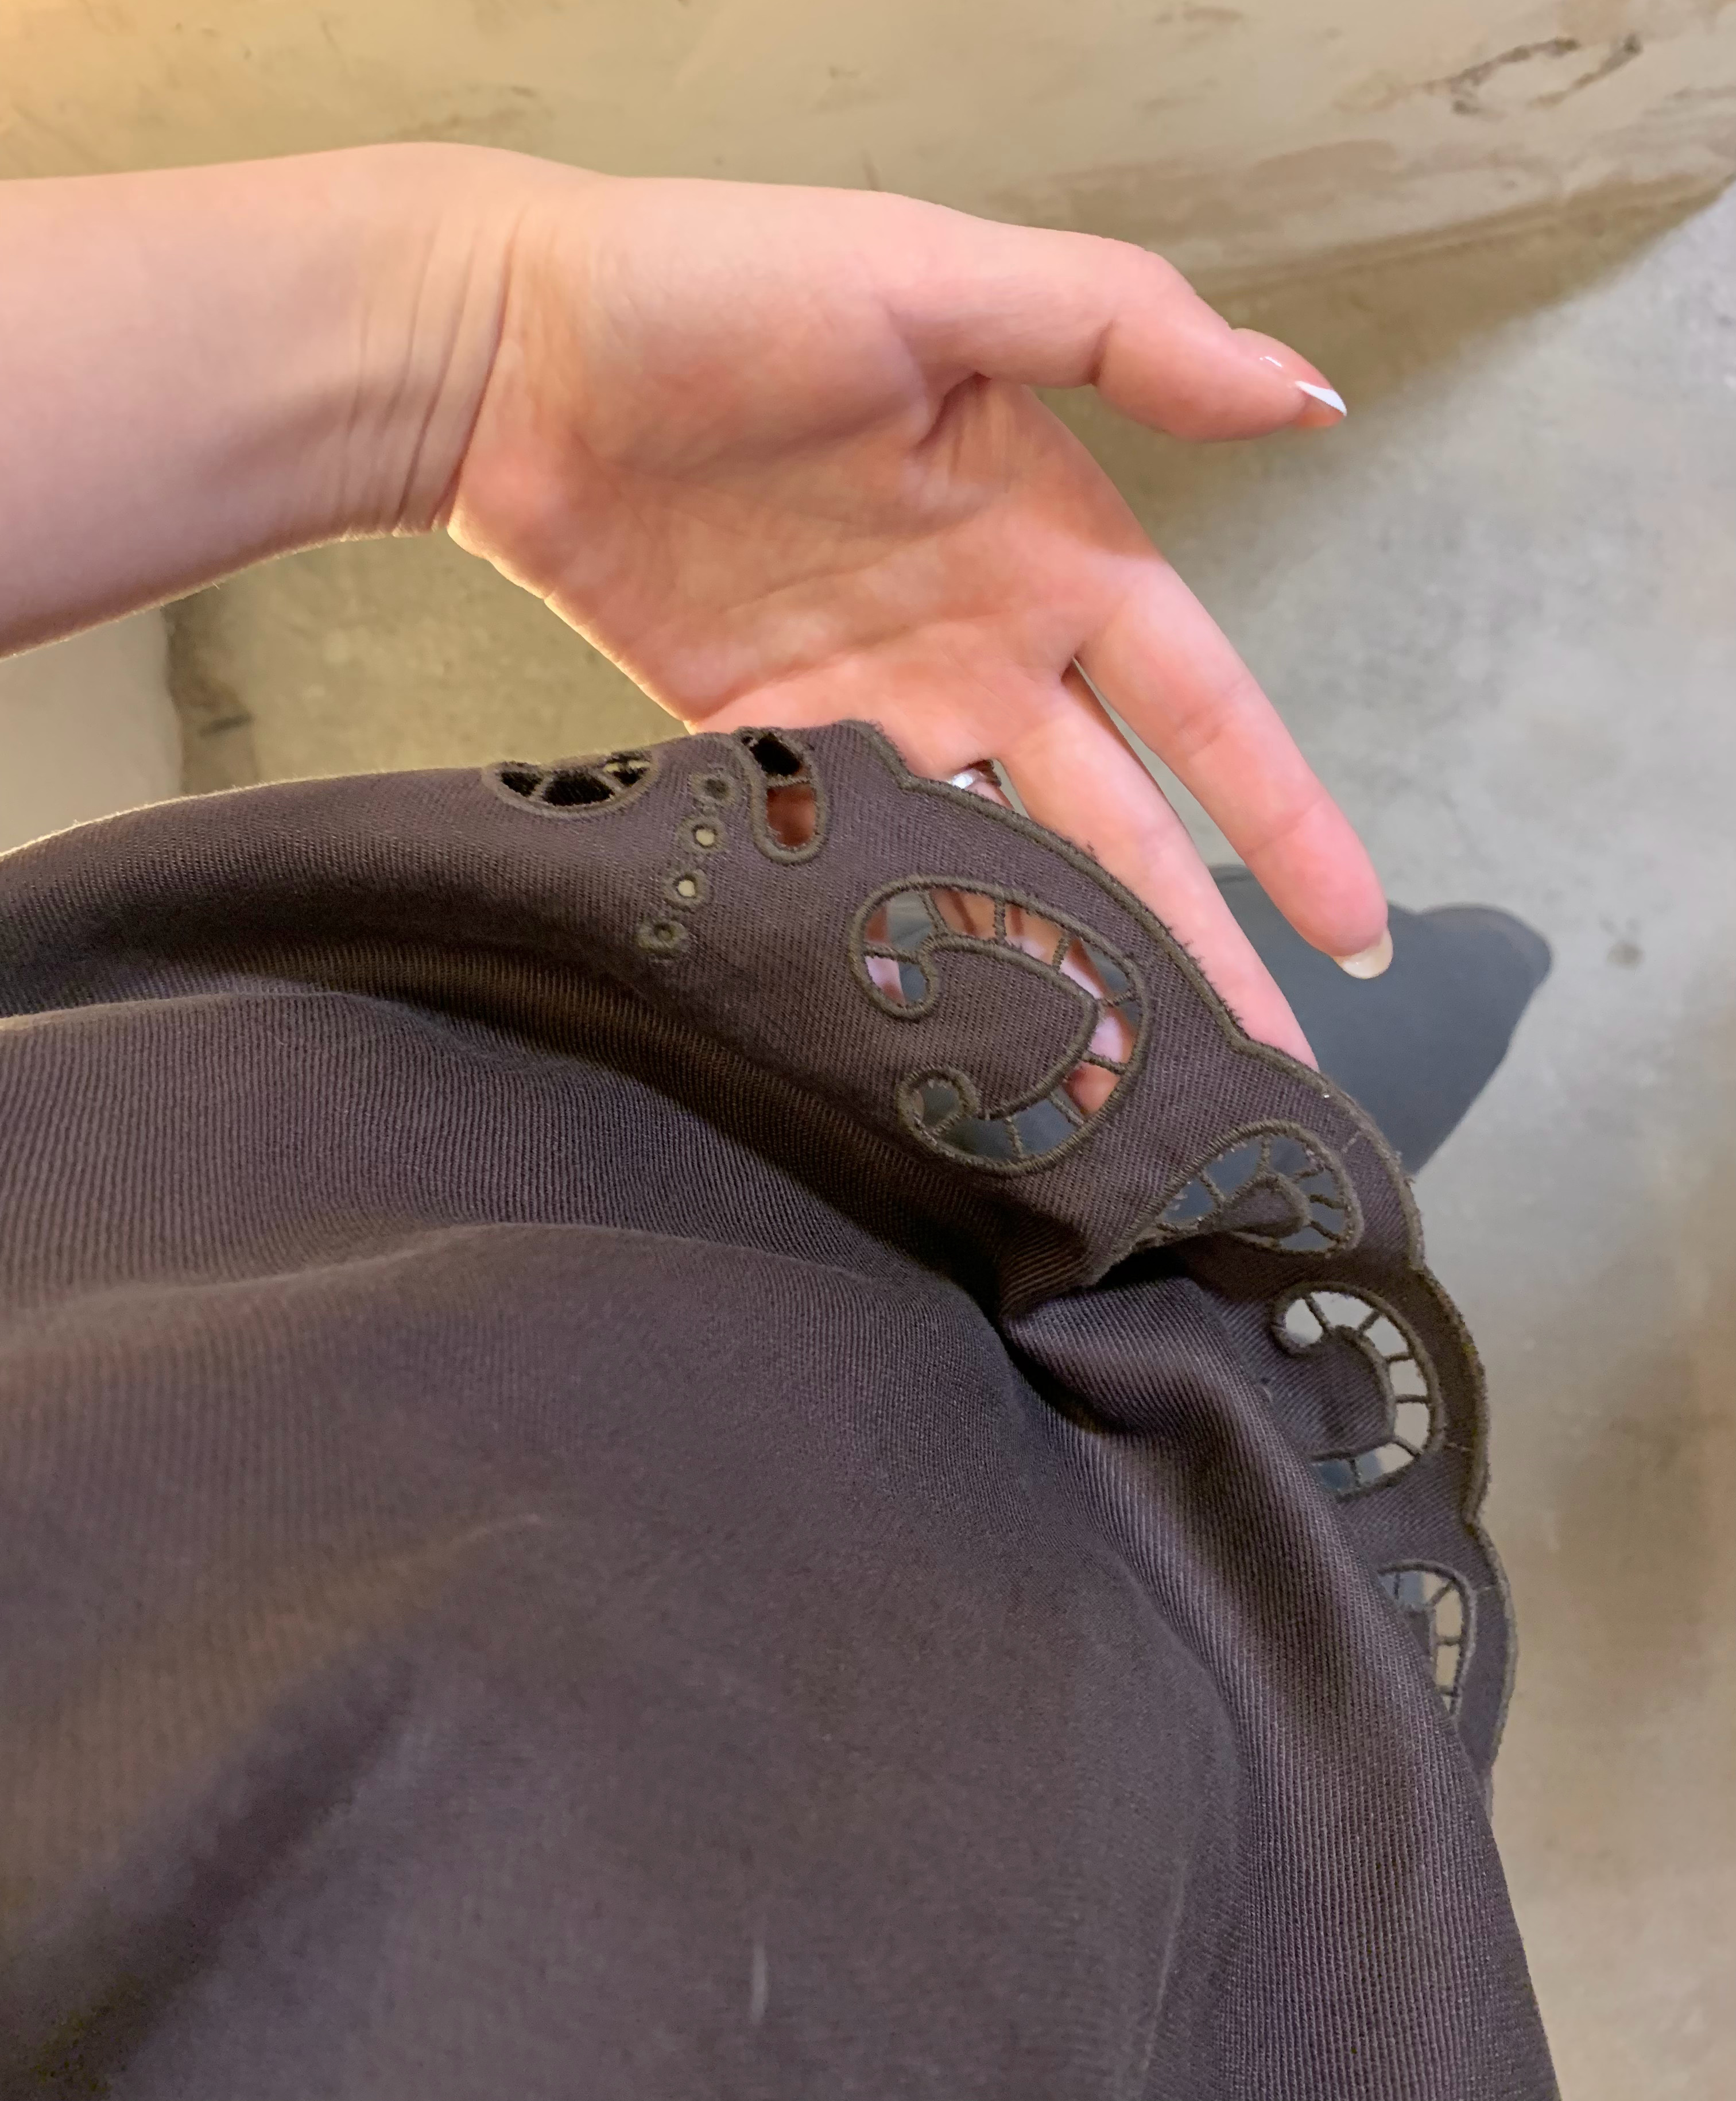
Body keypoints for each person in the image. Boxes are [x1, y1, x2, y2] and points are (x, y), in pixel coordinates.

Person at [0, 148, 1555, 2098]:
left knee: (1303, 1032)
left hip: (519, 1122)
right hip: (1105, 1795)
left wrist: (468, 336)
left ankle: (1327, 1090)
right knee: (1349, 1069)